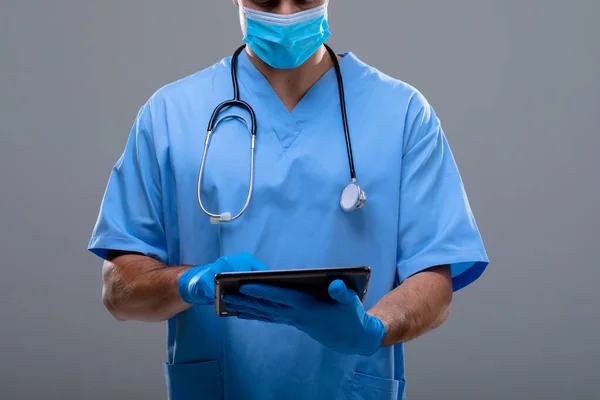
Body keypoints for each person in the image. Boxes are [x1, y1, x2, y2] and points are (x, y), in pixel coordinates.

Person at [88, 1, 489, 399]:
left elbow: (435, 278)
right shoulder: (169, 116)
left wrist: (375, 328)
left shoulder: (403, 114)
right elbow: (120, 289)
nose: (284, 14)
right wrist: (190, 282)